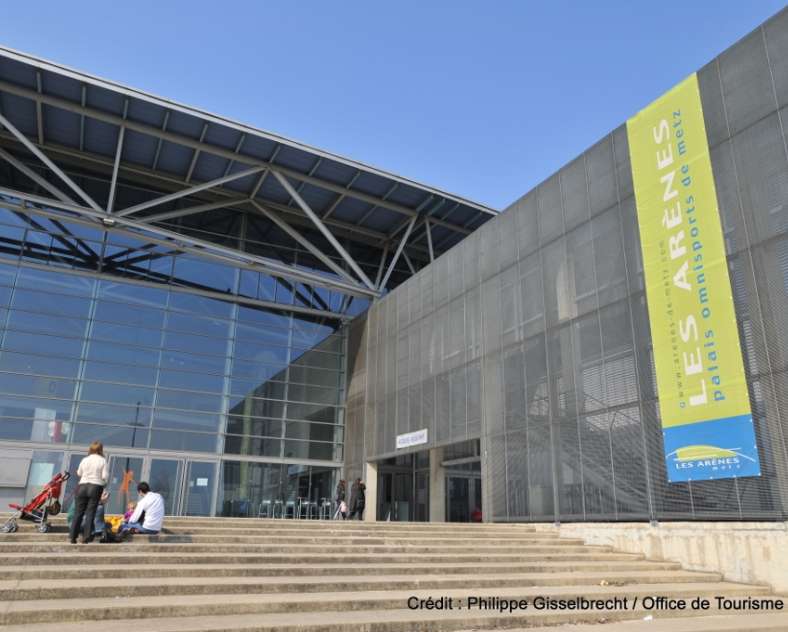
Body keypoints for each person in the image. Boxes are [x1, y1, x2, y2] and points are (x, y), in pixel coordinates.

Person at [69, 441, 108, 544]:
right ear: (100, 449)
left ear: (91, 449)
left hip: (82, 486)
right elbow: (105, 476)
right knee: (91, 512)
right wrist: (104, 483)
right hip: (95, 487)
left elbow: (79, 473)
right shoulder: (103, 460)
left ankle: (72, 537)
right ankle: (86, 537)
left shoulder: (85, 459)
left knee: (78, 513)